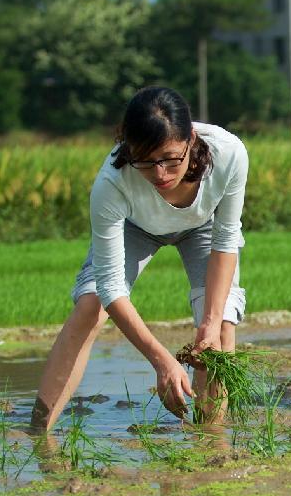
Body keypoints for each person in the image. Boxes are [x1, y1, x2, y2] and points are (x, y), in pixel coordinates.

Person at [31, 86, 248, 430]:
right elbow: (110, 286)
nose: (160, 174)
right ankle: (38, 432)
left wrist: (208, 322)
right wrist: (161, 360)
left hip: (203, 226)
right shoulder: (112, 182)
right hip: (136, 226)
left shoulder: (229, 153)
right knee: (90, 305)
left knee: (219, 328)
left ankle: (211, 443)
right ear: (128, 150)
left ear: (191, 139)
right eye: (146, 162)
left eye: (171, 158)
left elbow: (225, 239)